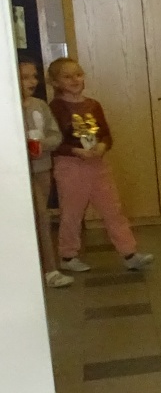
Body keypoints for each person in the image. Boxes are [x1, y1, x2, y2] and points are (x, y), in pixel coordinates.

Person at [46, 58, 153, 275]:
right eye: (67, 77)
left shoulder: (93, 105)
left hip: (97, 164)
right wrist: (76, 151)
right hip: (70, 166)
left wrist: (103, 146)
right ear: (56, 82)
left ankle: (129, 253)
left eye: (78, 74)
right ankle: (68, 255)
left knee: (113, 209)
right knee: (72, 212)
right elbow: (55, 142)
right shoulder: (55, 108)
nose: (75, 80)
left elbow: (105, 134)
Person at [18, 61, 69, 289]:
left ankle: (48, 269)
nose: (32, 82)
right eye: (25, 77)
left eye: (34, 76)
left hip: (41, 169)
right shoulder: (8, 107)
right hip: (18, 173)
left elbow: (55, 135)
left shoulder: (39, 105)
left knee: (42, 216)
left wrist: (42, 145)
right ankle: (41, 270)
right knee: (34, 217)